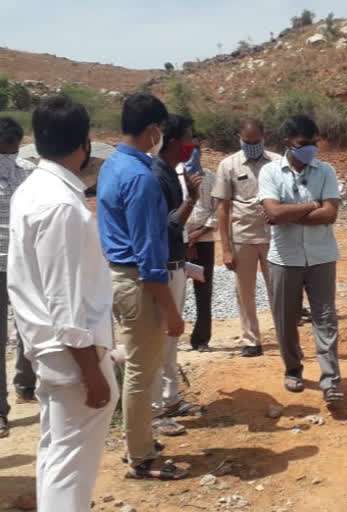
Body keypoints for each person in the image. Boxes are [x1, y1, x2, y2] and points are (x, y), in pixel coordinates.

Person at [7, 96, 117, 511]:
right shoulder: (61, 205)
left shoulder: (33, 189)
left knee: (57, 454)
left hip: (51, 349)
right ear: (85, 144)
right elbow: (65, 300)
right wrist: (92, 373)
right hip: (71, 355)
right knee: (71, 466)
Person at [97, 93, 188, 480]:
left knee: (140, 367)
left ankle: (140, 440)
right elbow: (150, 257)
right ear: (154, 130)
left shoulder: (112, 165)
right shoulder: (141, 178)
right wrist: (171, 310)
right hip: (138, 281)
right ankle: (141, 457)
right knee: (142, 372)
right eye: (162, 131)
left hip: (120, 276)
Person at [259, 115, 343, 402]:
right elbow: (272, 213)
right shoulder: (270, 172)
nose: (310, 148)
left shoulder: (326, 171)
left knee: (325, 318)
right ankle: (292, 369)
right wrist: (311, 206)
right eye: (302, 144)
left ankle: (331, 380)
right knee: (285, 319)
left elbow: (330, 214)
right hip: (284, 258)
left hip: (321, 256)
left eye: (313, 143)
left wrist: (288, 213)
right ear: (287, 143)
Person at [150, 115, 204, 436]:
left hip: (175, 264)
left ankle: (170, 400)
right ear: (172, 142)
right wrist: (192, 200)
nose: (193, 144)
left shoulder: (171, 172)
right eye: (188, 138)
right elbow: (168, 225)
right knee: (160, 338)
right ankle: (155, 410)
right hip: (164, 268)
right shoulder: (158, 176)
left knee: (171, 337)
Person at [212, 119, 280, 357]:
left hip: (274, 237)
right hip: (243, 237)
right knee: (245, 291)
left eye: (257, 141)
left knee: (278, 289)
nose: (252, 146)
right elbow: (223, 208)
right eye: (247, 142)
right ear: (239, 138)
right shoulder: (228, 165)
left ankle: (285, 336)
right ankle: (252, 340)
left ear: (264, 137)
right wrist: (226, 249)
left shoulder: (277, 162)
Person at [0, 117, 37, 438]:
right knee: (29, 327)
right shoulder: (30, 172)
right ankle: (26, 385)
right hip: (24, 264)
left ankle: (0, 413)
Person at [184, 140, 218, 352]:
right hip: (177, 239)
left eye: (196, 151)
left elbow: (219, 210)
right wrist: (186, 237)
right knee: (173, 289)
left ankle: (201, 339)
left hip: (204, 239)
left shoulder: (212, 179)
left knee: (204, 291)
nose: (193, 155)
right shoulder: (172, 177)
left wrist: (199, 233)